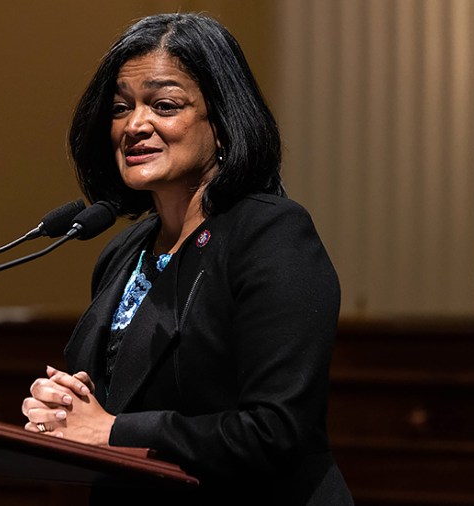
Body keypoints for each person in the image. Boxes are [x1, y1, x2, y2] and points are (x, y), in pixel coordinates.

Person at [21, 12, 353, 504]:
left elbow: (274, 430)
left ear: (221, 122)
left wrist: (112, 430)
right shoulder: (122, 252)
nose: (135, 125)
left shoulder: (271, 235)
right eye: (120, 108)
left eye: (165, 104)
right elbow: (117, 403)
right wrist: (67, 410)